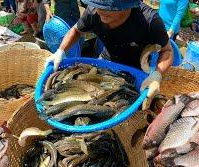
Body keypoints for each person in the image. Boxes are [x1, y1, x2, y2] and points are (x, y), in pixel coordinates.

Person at [45, 0, 173, 110]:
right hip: (106, 62)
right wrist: (60, 51)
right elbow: (76, 30)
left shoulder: (150, 20)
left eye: (107, 7)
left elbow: (167, 51)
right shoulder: (93, 11)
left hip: (137, 71)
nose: (100, 11)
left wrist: (157, 74)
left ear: (128, 5)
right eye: (98, 4)